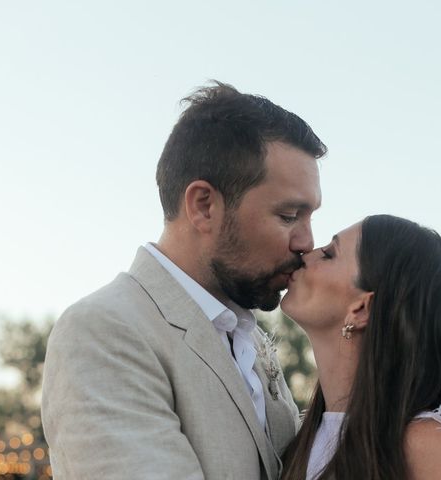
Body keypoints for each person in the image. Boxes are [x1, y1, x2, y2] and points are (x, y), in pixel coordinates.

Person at [41, 82, 327, 479]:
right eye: (288, 216)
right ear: (204, 206)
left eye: (309, 217)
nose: (307, 243)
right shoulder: (104, 331)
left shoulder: (249, 338)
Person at [280, 215, 441, 480]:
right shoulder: (303, 439)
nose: (306, 253)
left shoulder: (427, 447)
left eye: (328, 254)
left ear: (362, 309)